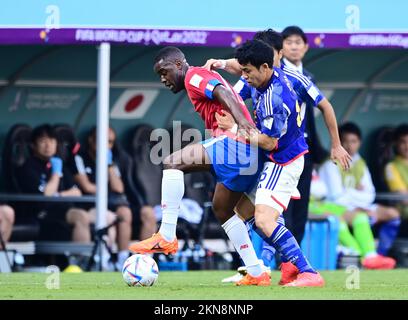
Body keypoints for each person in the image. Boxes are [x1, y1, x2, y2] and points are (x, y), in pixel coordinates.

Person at [204, 28, 351, 282]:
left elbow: (270, 142)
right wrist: (218, 65)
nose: (245, 75)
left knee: (263, 218)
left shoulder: (278, 93)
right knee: (248, 211)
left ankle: (305, 271)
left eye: (248, 71)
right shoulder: (261, 78)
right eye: (244, 70)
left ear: (272, 58)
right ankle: (272, 268)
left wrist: (235, 128)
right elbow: (237, 81)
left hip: (283, 159)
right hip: (279, 156)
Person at [129, 46, 270, 286]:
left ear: (178, 64)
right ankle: (258, 271)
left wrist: (245, 123)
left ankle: (166, 234)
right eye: (159, 75)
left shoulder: (194, 75)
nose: (163, 79)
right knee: (225, 210)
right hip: (244, 149)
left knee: (172, 162)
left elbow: (222, 93)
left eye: (164, 72)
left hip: (235, 143)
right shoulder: (198, 78)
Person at [318, 122, 399, 269]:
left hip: (357, 206)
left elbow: (370, 194)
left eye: (353, 141)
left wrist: (350, 194)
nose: (349, 146)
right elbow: (337, 197)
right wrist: (356, 193)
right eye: (345, 141)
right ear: (337, 142)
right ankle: (362, 256)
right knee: (351, 217)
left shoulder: (360, 163)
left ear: (359, 143)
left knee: (390, 213)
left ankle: (376, 254)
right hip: (330, 206)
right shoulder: (330, 164)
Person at [71, 127, 139, 269]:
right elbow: (87, 187)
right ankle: (97, 262)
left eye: (110, 142)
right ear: (91, 140)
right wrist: (105, 191)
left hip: (108, 202)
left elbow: (118, 188)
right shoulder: (80, 157)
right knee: (108, 218)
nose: (106, 145)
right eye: (102, 141)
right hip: (88, 204)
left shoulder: (111, 160)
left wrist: (109, 165)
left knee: (124, 212)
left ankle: (122, 260)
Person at [16, 124, 92, 243]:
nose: (48, 145)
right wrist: (56, 174)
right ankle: (81, 260)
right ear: (33, 145)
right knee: (81, 216)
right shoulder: (28, 166)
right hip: (42, 212)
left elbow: (77, 192)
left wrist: (59, 195)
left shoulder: (59, 164)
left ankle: (111, 258)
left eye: (52, 141)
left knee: (106, 216)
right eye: (43, 141)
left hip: (64, 208)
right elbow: (47, 195)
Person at [385, 124, 408, 230]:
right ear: (396, 143)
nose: (407, 146)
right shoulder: (391, 167)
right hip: (404, 212)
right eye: (403, 142)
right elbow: (404, 198)